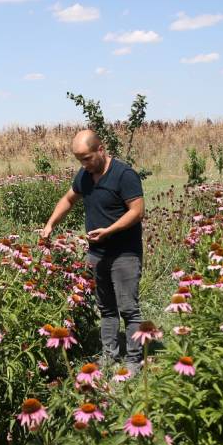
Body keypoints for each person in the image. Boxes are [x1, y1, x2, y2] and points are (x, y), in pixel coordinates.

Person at [41, 129, 145, 367]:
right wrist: (50, 224)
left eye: (87, 158)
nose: (84, 164)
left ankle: (134, 359)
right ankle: (109, 354)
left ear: (101, 149)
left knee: (128, 308)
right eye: (79, 160)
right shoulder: (85, 176)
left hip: (124, 252)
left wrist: (109, 231)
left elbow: (137, 212)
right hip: (97, 253)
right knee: (106, 308)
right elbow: (69, 199)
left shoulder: (124, 175)